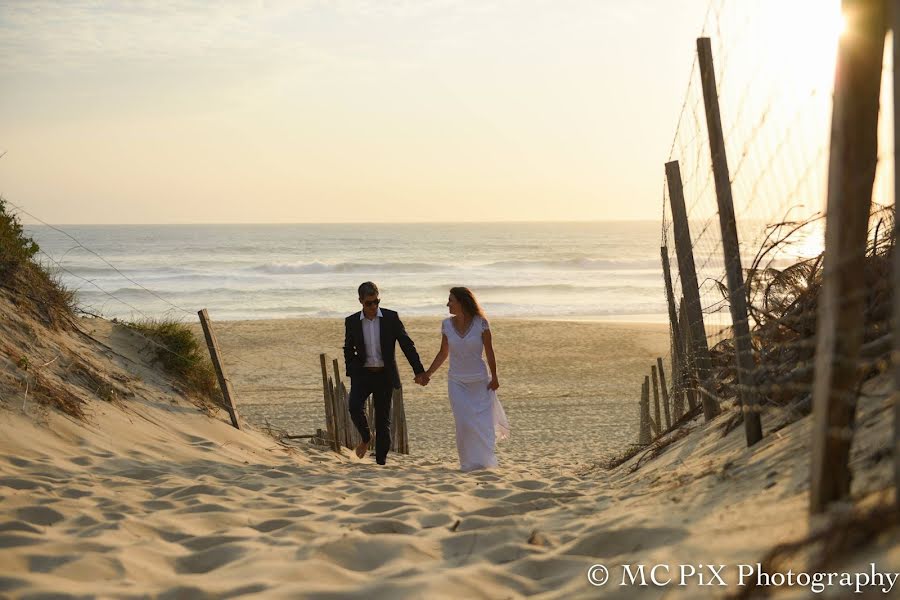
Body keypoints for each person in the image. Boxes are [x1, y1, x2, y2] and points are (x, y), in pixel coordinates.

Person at [421, 287, 510, 471]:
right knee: (463, 423)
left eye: (451, 300)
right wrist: (428, 373)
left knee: (481, 424)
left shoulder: (481, 323)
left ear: (462, 302)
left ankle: (484, 462)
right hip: (456, 382)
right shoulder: (446, 324)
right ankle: (467, 464)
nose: (448, 304)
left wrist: (495, 377)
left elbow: (489, 351)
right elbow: (443, 353)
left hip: (480, 382)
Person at [344, 281, 428, 465]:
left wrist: (419, 371)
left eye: (376, 302)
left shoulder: (391, 318)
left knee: (383, 422)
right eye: (369, 303)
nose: (373, 306)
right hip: (363, 375)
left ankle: (380, 463)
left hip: (385, 375)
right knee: (354, 406)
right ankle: (366, 438)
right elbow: (348, 348)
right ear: (360, 301)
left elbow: (407, 345)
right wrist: (352, 370)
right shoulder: (351, 322)